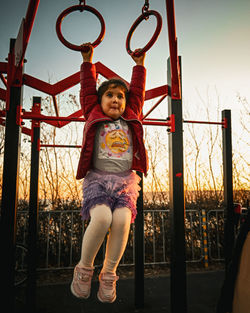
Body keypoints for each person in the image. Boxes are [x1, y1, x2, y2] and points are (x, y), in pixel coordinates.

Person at [70, 43, 148, 303]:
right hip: (99, 182)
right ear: (100, 101)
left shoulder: (131, 115)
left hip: (126, 183)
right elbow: (87, 91)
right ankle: (84, 269)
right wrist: (87, 61)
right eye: (110, 95)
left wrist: (139, 65)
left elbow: (137, 92)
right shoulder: (92, 112)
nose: (116, 99)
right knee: (102, 219)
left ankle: (109, 274)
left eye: (120, 96)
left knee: (123, 221)